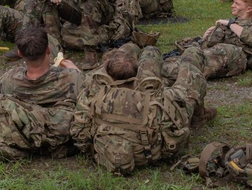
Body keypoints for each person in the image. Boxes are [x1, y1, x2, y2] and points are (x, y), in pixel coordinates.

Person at [73, 42, 208, 174]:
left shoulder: (91, 96)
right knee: (190, 61)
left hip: (108, 149)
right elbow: (175, 129)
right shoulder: (158, 101)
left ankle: (149, 49)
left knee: (143, 50)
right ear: (136, 74)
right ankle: (199, 116)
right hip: (154, 153)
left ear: (107, 74)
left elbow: (79, 133)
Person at [0, 25, 85, 161]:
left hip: (22, 130)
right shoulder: (72, 77)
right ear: (48, 50)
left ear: (19, 53)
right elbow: (91, 90)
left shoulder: (10, 79)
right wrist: (76, 70)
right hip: (57, 131)